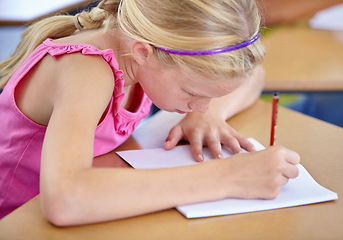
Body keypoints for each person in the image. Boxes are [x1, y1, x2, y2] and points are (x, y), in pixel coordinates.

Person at [0, 0, 300, 225]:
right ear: (143, 52)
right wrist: (229, 176)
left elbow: (253, 77)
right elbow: (65, 199)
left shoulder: (143, 57)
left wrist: (207, 115)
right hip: (17, 221)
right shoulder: (85, 70)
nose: (202, 103)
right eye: (193, 93)